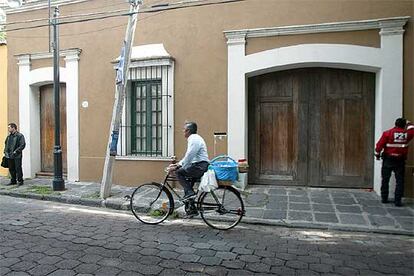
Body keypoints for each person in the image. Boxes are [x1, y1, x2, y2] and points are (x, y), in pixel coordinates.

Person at [168, 121, 209, 217]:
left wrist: (178, 166)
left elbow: (190, 155)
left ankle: (190, 193)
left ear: (188, 130)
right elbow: (188, 157)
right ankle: (192, 208)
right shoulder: (194, 138)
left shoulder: (193, 139)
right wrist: (180, 163)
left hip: (199, 166)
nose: (183, 131)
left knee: (179, 173)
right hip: (198, 165)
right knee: (188, 185)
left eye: (184, 130)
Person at [375, 118, 414, 206]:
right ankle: (397, 200)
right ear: (404, 125)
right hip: (400, 160)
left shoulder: (387, 133)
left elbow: (379, 145)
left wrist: (377, 154)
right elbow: (412, 129)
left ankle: (384, 198)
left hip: (388, 159)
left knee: (385, 179)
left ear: (395, 124)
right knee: (400, 181)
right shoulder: (407, 134)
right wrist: (409, 122)